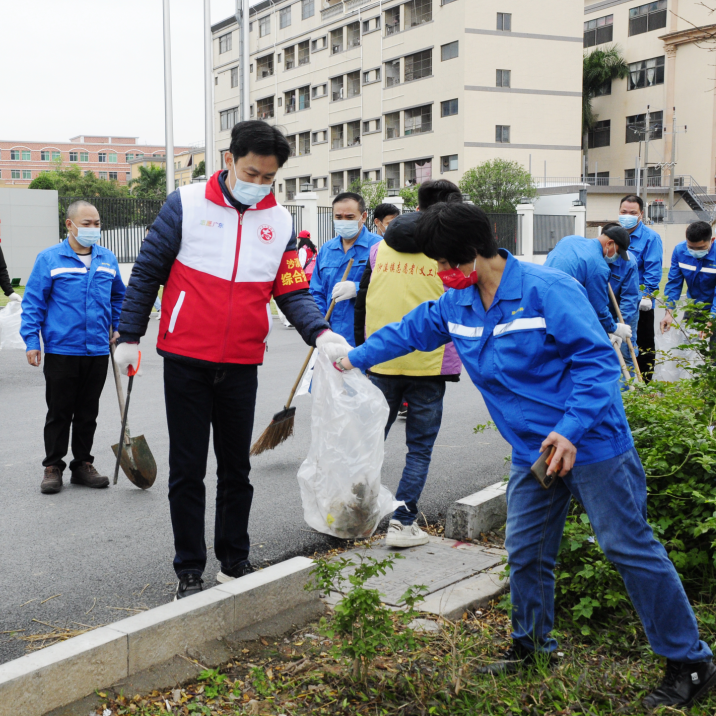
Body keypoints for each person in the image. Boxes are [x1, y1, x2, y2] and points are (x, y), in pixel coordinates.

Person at [336, 202, 716, 710]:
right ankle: (533, 647)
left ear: (475, 252)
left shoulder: (547, 290)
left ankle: (690, 661)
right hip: (531, 453)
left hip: (592, 443)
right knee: (527, 550)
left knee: (628, 545)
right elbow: (409, 332)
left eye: (447, 264)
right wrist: (349, 359)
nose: (442, 276)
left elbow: (598, 364)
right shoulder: (458, 302)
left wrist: (570, 430)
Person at [113, 121, 349, 600]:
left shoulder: (280, 222)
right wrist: (130, 335)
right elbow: (148, 271)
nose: (258, 184)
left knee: (236, 469)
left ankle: (235, 560)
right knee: (187, 470)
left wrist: (321, 333)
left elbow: (291, 288)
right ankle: (189, 569)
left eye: (268, 178)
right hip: (185, 357)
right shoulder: (186, 203)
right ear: (228, 159)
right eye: (251, 172)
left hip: (242, 360)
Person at [352, 180, 463, 547]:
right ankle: (401, 523)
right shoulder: (447, 253)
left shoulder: (379, 249)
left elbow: (363, 302)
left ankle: (353, 515)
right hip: (429, 366)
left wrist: (362, 349)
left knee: (371, 441)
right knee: (419, 447)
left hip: (381, 359)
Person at [20, 200, 125, 495]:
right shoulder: (50, 259)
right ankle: (53, 466)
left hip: (97, 350)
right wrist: (32, 341)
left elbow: (118, 297)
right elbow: (33, 303)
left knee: (88, 412)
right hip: (62, 350)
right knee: (59, 412)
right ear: (69, 225)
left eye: (97, 223)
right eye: (87, 224)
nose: (93, 229)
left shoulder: (107, 259)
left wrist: (117, 326)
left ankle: (82, 465)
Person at [309, 192, 381, 346]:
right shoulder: (327, 249)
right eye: (338, 217)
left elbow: (389, 286)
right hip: (331, 335)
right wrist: (321, 326)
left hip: (365, 337)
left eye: (349, 217)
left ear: (363, 217)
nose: (343, 221)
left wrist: (358, 289)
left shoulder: (379, 247)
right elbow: (316, 291)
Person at [544, 226, 633, 350]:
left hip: (541, 299)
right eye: (617, 253)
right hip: (561, 312)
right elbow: (598, 308)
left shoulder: (569, 240)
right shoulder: (599, 266)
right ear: (609, 243)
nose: (616, 258)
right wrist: (614, 328)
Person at [618, 194, 664, 381]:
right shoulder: (614, 234)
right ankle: (622, 379)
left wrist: (647, 297)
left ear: (641, 214)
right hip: (618, 299)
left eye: (632, 212)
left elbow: (653, 270)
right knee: (619, 340)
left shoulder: (650, 238)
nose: (627, 215)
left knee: (643, 343)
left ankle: (644, 382)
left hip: (639, 302)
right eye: (623, 212)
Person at [661, 220, 716, 345]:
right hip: (694, 307)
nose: (695, 251)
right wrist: (669, 312)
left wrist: (712, 320)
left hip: (714, 306)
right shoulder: (680, 251)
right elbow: (674, 283)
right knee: (687, 349)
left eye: (701, 248)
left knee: (713, 354)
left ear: (712, 240)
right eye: (691, 247)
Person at [607, 237, 640, 383]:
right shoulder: (593, 259)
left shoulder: (629, 262)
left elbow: (630, 297)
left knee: (626, 351)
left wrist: (620, 327)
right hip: (601, 312)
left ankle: (630, 393)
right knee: (605, 351)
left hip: (624, 312)